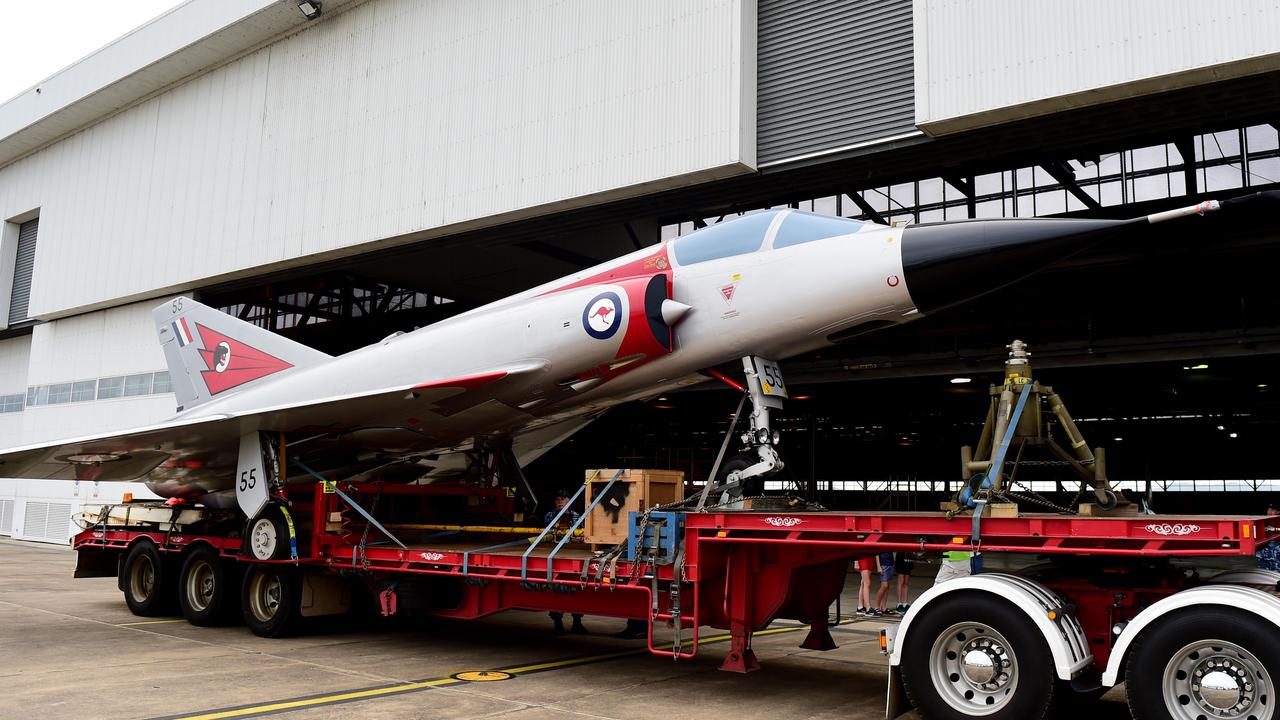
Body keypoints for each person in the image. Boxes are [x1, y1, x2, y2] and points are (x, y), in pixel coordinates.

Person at [546, 490, 587, 634]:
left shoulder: (576, 516)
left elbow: (582, 534)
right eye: (557, 499)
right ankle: (558, 622)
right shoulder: (550, 515)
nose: (560, 502)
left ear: (569, 501)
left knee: (576, 590)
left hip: (573, 554)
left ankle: (577, 621)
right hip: (555, 555)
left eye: (563, 499)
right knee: (556, 591)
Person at [1257, 504, 1280, 571]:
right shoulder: (1264, 520)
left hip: (1277, 547)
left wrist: (1275, 529)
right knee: (1264, 568)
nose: (1269, 512)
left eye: (1272, 510)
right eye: (1268, 510)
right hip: (1265, 548)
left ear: (1278, 512)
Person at [873, 552, 896, 616]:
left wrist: (893, 560)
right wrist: (878, 566)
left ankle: (883, 607)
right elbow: (877, 553)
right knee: (884, 585)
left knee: (887, 586)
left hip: (890, 562)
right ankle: (877, 607)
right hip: (883, 563)